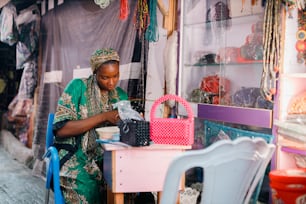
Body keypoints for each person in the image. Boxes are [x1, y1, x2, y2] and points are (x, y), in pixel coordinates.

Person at [52, 48, 128, 203]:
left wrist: (131, 121)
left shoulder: (120, 95)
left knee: (127, 183)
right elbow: (60, 130)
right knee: (88, 188)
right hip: (74, 153)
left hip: (108, 156)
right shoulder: (77, 87)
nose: (111, 82)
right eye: (105, 77)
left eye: (115, 76)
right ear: (95, 73)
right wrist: (104, 117)